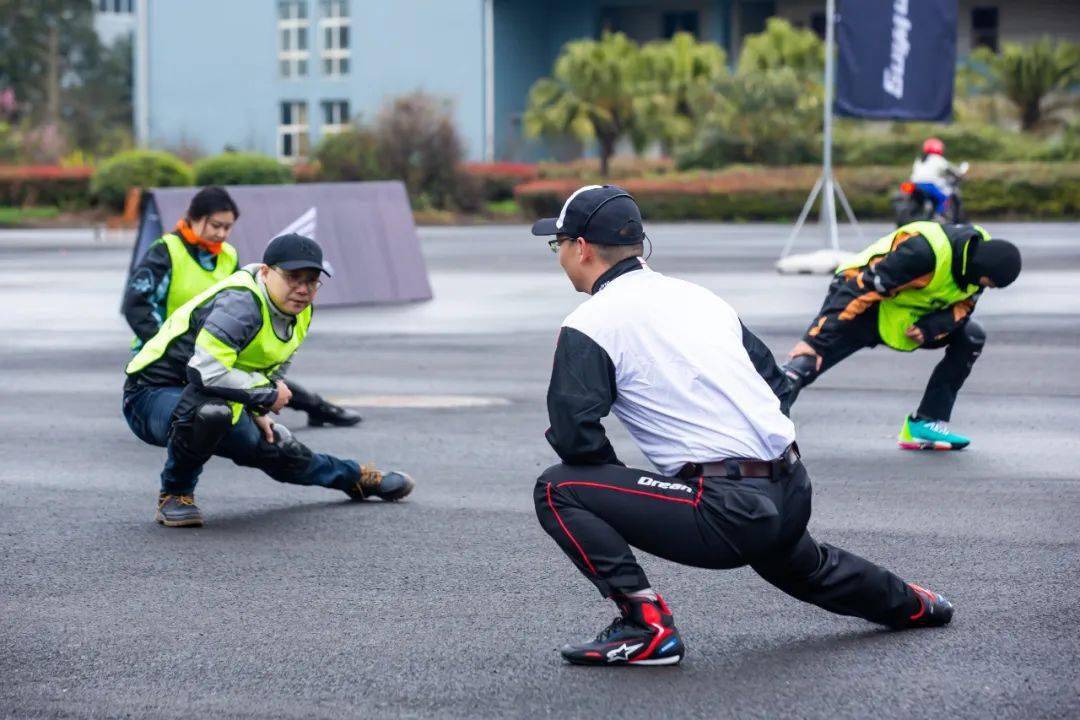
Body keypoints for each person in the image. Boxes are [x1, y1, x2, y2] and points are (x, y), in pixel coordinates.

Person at [531, 185, 953, 667]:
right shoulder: (699, 297)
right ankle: (914, 603)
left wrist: (626, 493)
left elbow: (575, 437)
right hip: (791, 488)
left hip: (725, 512)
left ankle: (646, 628)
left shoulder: (590, 322)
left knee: (558, 488)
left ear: (582, 247)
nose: (558, 254)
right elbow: (774, 384)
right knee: (804, 566)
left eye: (558, 243)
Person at [123, 233, 414, 527]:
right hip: (150, 395)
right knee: (209, 413)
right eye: (292, 278)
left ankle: (356, 478)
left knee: (279, 447)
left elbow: (273, 365)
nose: (302, 289)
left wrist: (258, 409)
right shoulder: (241, 303)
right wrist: (267, 394)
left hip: (218, 392)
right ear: (265, 272)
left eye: (311, 281)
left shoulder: (300, 311)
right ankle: (175, 495)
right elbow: (204, 372)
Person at [123, 186, 361, 427]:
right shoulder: (166, 251)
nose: (222, 234)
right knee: (231, 389)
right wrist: (167, 343)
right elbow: (136, 305)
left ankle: (318, 408)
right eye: (216, 225)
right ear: (194, 218)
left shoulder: (228, 255)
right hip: (172, 351)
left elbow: (241, 305)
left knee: (260, 383)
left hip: (213, 341)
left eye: (228, 227)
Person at [781, 221, 1021, 450]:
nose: (987, 288)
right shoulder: (923, 253)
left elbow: (963, 307)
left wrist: (930, 328)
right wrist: (814, 340)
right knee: (806, 362)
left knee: (971, 336)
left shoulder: (979, 262)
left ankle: (924, 424)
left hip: (906, 315)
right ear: (983, 271)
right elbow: (859, 289)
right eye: (989, 284)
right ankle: (767, 427)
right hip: (861, 301)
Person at [910, 138, 967, 219]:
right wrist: (959, 175)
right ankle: (939, 215)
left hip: (915, 184)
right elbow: (950, 170)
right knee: (944, 198)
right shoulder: (937, 159)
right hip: (929, 184)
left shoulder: (920, 159)